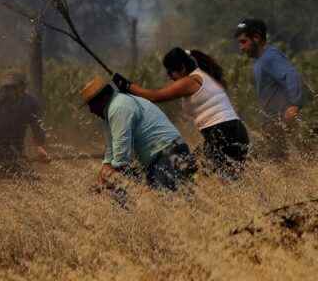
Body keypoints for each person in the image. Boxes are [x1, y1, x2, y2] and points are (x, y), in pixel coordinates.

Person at [112, 48, 249, 179]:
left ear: (182, 68)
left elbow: (155, 96)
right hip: (234, 131)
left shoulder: (191, 81)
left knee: (211, 177)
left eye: (171, 73)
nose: (171, 78)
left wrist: (128, 86)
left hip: (221, 132)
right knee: (225, 178)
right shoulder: (203, 75)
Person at [82, 76, 196, 191]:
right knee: (176, 198)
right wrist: (101, 179)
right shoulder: (108, 115)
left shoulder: (118, 107)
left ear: (103, 97)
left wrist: (108, 177)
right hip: (161, 157)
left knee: (171, 200)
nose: (91, 110)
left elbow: (121, 151)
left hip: (167, 154)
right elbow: (110, 151)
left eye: (92, 105)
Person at [235, 18, 305, 157]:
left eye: (244, 42)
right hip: (272, 122)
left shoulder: (270, 57)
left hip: (281, 120)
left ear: (256, 38)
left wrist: (294, 105)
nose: (241, 48)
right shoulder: (260, 60)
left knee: (279, 163)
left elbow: (291, 76)